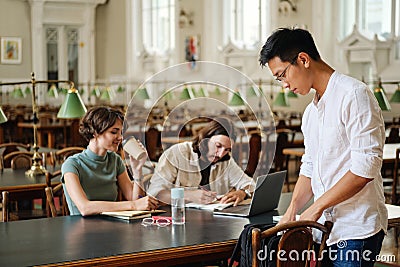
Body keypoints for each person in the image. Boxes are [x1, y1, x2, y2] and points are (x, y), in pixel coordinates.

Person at [259, 28, 388, 266]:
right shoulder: (311, 112)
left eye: (282, 75)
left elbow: (365, 169)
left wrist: (316, 207)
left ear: (303, 59)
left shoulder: (354, 95)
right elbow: (309, 166)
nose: (284, 85)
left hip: (355, 229)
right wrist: (293, 210)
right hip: (326, 230)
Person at [62, 106, 159, 216]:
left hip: (111, 225)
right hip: (81, 228)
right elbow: (85, 208)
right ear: (95, 132)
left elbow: (135, 199)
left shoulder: (115, 160)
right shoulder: (71, 164)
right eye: (114, 132)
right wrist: (133, 205)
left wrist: (137, 170)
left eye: (121, 132)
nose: (120, 137)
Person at [147, 117, 255, 206]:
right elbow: (155, 194)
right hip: (177, 220)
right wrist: (188, 195)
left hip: (212, 221)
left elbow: (251, 184)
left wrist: (242, 193)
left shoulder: (225, 161)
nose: (221, 154)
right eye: (218, 146)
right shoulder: (176, 154)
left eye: (227, 149)